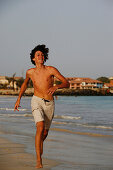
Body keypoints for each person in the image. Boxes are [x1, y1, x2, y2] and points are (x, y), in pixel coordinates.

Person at [14, 44, 69, 169]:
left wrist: (57, 86)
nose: (41, 56)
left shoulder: (51, 70)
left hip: (49, 104)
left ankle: (38, 146)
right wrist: (18, 99)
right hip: (36, 100)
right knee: (39, 127)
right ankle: (39, 161)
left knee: (44, 133)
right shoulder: (30, 72)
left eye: (42, 55)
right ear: (33, 58)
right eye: (38, 55)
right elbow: (24, 85)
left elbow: (67, 83)